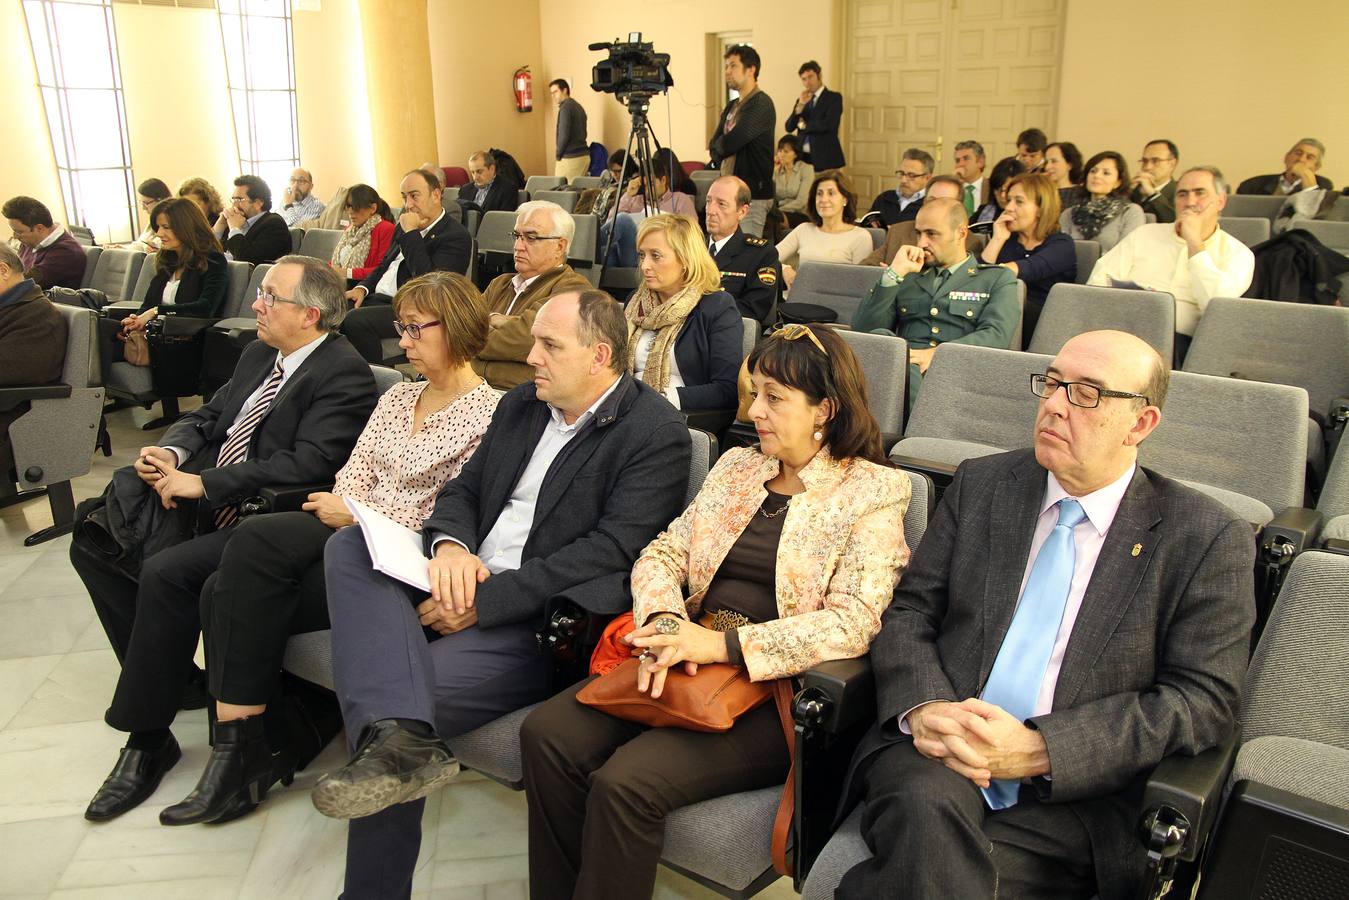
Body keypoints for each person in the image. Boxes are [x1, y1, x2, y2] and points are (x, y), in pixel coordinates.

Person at [835, 330, 1255, 900]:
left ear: (1141, 424)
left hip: (1073, 793)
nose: (1055, 403)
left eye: (1087, 393)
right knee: (923, 806)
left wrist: (1044, 750)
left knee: (927, 866)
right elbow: (910, 611)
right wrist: (926, 705)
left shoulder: (1204, 537)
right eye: (1053, 383)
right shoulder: (985, 484)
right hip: (939, 752)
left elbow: (1203, 701)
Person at [311, 289, 691, 899]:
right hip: (458, 575)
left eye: (549, 345)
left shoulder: (653, 432)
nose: (530, 356)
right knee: (349, 548)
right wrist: (450, 550)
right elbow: (462, 491)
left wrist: (485, 602)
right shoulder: (522, 404)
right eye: (534, 340)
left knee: (394, 713)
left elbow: (612, 554)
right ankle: (398, 741)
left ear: (599, 355)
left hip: (531, 622)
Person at [521, 322, 911, 900]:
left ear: (825, 409)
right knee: (546, 733)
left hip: (775, 691)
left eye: (775, 399)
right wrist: (662, 624)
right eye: (754, 393)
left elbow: (854, 622)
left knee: (626, 784)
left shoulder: (874, 491)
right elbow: (665, 551)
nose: (755, 411)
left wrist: (723, 647)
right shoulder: (737, 468)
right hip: (684, 652)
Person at [159, 271, 499, 826]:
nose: (403, 342)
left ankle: (246, 748)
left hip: (402, 560)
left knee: (253, 544)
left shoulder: (490, 413)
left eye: (414, 329)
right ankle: (253, 742)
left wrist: (358, 514)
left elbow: (454, 513)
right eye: (401, 328)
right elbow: (353, 472)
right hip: (348, 534)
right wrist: (349, 509)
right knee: (224, 585)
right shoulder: (398, 398)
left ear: (456, 330)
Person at [69, 256, 377, 823]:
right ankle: (176, 685)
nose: (255, 305)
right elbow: (211, 415)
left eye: (269, 297)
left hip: (265, 513)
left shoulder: (343, 372)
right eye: (259, 293)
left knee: (167, 573)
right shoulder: (262, 352)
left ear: (309, 314)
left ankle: (145, 737)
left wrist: (203, 484)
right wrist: (173, 452)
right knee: (94, 540)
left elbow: (307, 462)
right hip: (208, 491)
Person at [853, 197, 1020, 407]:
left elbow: (997, 335)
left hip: (957, 374)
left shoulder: (996, 278)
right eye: (918, 233)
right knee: (881, 339)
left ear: (961, 233)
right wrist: (892, 275)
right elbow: (864, 332)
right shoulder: (909, 275)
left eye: (931, 234)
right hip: (903, 374)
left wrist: (937, 354)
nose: (921, 243)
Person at [1088, 166, 1255, 361]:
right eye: (1182, 194)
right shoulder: (1145, 234)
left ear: (1220, 201)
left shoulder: (1238, 253)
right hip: (1122, 331)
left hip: (1182, 345)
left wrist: (1195, 243)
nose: (1190, 202)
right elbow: (1098, 281)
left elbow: (1219, 311)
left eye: (1200, 193)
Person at [342, 168, 472, 364]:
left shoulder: (455, 235)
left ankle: (372, 378)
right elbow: (385, 264)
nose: (408, 205)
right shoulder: (403, 225)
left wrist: (411, 233)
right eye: (404, 197)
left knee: (355, 320)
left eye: (414, 196)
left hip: (413, 307)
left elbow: (430, 286)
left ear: (436, 195)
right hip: (379, 298)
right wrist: (363, 287)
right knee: (331, 307)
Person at [99, 199, 228, 381]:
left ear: (186, 227)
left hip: (183, 340)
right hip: (156, 334)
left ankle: (89, 399)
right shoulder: (167, 260)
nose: (159, 233)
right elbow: (148, 304)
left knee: (100, 341)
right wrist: (135, 320)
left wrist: (156, 312)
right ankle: (89, 397)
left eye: (166, 227)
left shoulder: (213, 260)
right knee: (99, 327)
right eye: (158, 227)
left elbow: (205, 308)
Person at [625, 213, 742, 411]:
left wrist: (660, 399)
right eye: (642, 255)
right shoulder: (635, 303)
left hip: (679, 417)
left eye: (656, 256)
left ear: (686, 259)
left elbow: (727, 390)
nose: (645, 266)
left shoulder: (717, 307)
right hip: (625, 408)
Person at [473, 200, 590, 390]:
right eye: (517, 236)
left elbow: (527, 339)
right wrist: (502, 323)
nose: (518, 246)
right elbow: (459, 330)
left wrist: (483, 327)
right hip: (472, 390)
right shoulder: (500, 284)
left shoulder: (572, 288)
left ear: (560, 246)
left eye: (531, 238)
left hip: (522, 397)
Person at [980, 172, 1075, 348]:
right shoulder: (1007, 242)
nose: (1009, 207)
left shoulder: (1062, 244)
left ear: (1040, 208)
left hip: (1044, 323)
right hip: (1003, 315)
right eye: (1008, 200)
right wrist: (997, 239)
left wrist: (988, 276)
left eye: (1019, 201)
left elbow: (1029, 269)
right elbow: (976, 282)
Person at [0, 242, 67, 477]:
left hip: (15, 417)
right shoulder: (11, 307)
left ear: (3, 270)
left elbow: (10, 369)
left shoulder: (35, 315)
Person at [710, 45, 776, 238]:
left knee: (748, 254)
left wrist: (720, 146)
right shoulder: (732, 106)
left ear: (751, 70)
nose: (727, 72)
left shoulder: (761, 104)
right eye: (726, 67)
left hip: (753, 195)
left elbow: (732, 142)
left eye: (733, 66)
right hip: (729, 194)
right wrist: (719, 147)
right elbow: (714, 144)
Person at [602, 147, 697, 268]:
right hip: (628, 251)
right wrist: (627, 195)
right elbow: (611, 222)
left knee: (624, 221)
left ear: (663, 180)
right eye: (644, 185)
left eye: (651, 184)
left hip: (656, 253)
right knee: (605, 253)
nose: (647, 190)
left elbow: (691, 233)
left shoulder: (680, 200)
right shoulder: (634, 198)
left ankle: (589, 246)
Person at [777, 171, 874, 289]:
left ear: (845, 199)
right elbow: (767, 257)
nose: (823, 199)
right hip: (800, 298)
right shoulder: (804, 230)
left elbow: (861, 283)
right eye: (819, 194)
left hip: (838, 302)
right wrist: (784, 269)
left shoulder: (861, 237)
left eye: (831, 193)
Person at [706, 175, 782, 325]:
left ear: (742, 212)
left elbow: (754, 309)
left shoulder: (760, 254)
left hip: (725, 332)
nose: (710, 210)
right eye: (709, 201)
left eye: (721, 204)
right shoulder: (690, 247)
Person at [863, 176, 986, 266]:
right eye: (931, 200)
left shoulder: (969, 241)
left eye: (943, 201)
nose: (934, 207)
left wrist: (899, 276)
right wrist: (886, 275)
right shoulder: (898, 230)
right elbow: (865, 268)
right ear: (923, 201)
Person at [1059, 151, 1146, 252]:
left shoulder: (1130, 212)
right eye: (1093, 171)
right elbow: (1060, 251)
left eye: (1106, 173)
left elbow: (1127, 253)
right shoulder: (1069, 214)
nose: (1097, 176)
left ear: (1118, 182)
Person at [2, 196, 87, 290]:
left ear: (39, 228)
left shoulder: (66, 252)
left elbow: (23, 283)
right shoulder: (30, 242)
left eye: (19, 232)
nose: (15, 236)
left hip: (46, 302)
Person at [210, 175, 293, 265]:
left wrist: (234, 229)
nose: (234, 205)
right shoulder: (233, 221)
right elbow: (203, 253)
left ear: (258, 203)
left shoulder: (274, 224)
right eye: (233, 199)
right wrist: (220, 226)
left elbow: (247, 261)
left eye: (239, 199)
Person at [783, 59, 845, 171]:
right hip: (802, 157)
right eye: (804, 79)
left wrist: (804, 126)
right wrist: (800, 106)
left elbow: (829, 124)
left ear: (819, 76)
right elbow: (789, 127)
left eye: (810, 77)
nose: (807, 82)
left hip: (824, 156)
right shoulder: (802, 100)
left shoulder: (834, 98)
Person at [329, 184, 395, 283]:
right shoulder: (350, 229)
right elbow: (336, 263)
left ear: (373, 208)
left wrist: (347, 273)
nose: (350, 212)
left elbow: (383, 270)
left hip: (365, 287)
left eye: (356, 207)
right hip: (341, 282)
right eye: (348, 206)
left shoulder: (386, 229)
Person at [1237, 138, 1334, 195]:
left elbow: (1318, 217)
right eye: (1298, 153)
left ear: (1316, 167)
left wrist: (1307, 180)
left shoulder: (1323, 186)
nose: (1301, 159)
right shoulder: (1252, 185)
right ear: (1286, 158)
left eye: (1309, 157)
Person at [867, 148, 934, 227]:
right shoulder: (884, 198)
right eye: (901, 173)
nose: (903, 180)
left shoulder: (931, 204)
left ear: (928, 178)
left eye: (911, 175)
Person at [1130, 139, 1180, 223]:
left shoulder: (1180, 192)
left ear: (1172, 164)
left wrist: (1153, 195)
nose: (1147, 167)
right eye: (1145, 161)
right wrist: (1126, 191)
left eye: (1155, 161)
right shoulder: (1134, 190)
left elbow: (1176, 221)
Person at [549, 79, 590, 181]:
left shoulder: (566, 108)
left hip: (571, 158)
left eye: (555, 92)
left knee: (561, 193)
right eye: (551, 93)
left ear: (565, 90)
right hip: (583, 155)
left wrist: (558, 155)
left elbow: (564, 134)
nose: (553, 96)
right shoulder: (578, 106)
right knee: (578, 192)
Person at [773, 135, 815, 224]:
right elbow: (771, 198)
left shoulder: (806, 169)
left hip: (799, 213)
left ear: (796, 154)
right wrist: (773, 172)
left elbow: (801, 202)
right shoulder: (777, 170)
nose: (781, 155)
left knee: (774, 219)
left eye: (786, 152)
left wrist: (778, 211)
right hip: (779, 212)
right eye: (780, 151)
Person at [971, 157, 1026, 225]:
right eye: (998, 189)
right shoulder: (984, 211)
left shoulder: (1026, 218)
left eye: (1007, 190)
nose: (1003, 195)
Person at [130, 178, 172, 253]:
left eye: (146, 203)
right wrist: (123, 249)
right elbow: (141, 242)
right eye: (141, 203)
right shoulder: (152, 220)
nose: (143, 208)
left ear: (160, 200)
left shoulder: (172, 219)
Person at [952, 140, 989, 216]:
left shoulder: (992, 187)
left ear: (980, 162)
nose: (961, 164)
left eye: (966, 158)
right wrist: (954, 183)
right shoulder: (952, 188)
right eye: (957, 160)